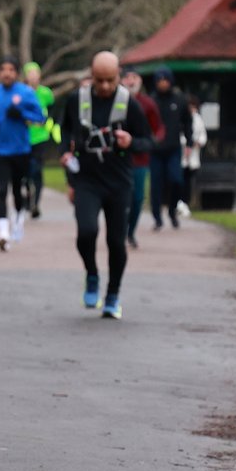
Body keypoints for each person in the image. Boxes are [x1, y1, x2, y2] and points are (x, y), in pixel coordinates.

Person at [57, 51, 153, 320]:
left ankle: (112, 295)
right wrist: (65, 151)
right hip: (86, 179)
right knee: (86, 232)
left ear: (118, 77)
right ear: (91, 76)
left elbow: (148, 141)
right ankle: (91, 274)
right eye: (99, 81)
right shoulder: (77, 99)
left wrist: (130, 142)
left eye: (110, 80)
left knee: (115, 241)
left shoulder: (129, 104)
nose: (105, 87)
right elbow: (64, 129)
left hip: (118, 181)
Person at [0, 56, 45, 251]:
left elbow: (40, 116)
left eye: (11, 69)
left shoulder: (25, 93)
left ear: (17, 73)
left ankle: (18, 221)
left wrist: (22, 115)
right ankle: (3, 233)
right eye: (3, 69)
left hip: (20, 150)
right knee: (1, 190)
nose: (6, 73)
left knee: (17, 190)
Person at [120, 68, 163, 249]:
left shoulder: (148, 104)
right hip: (119, 159)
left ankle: (131, 232)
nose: (130, 81)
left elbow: (158, 128)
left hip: (140, 158)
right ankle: (119, 230)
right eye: (127, 77)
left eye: (134, 77)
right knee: (121, 197)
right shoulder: (116, 103)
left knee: (137, 197)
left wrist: (154, 142)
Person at [148, 67, 192, 230]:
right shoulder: (151, 101)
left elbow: (187, 122)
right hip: (155, 150)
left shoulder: (180, 100)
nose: (163, 84)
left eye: (165, 80)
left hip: (173, 148)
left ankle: (172, 211)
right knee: (156, 184)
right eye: (160, 81)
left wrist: (188, 142)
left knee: (176, 180)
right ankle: (157, 217)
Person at [22, 61, 57, 219]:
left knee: (37, 169)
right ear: (26, 76)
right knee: (25, 171)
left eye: (36, 73)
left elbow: (51, 112)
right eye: (30, 73)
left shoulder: (46, 93)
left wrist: (45, 123)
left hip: (41, 137)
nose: (33, 77)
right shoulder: (21, 93)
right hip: (23, 138)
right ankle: (28, 197)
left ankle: (36, 203)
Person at [179, 94, 207, 217]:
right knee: (179, 179)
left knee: (189, 180)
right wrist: (186, 144)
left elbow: (203, 135)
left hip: (193, 154)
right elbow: (179, 134)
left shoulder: (198, 119)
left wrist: (197, 142)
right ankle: (179, 202)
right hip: (182, 153)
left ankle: (185, 202)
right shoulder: (182, 118)